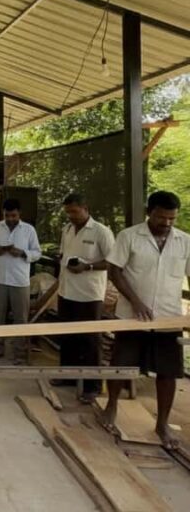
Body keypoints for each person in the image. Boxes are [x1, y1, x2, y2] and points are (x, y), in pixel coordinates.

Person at [101, 191, 190, 450]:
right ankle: (111, 406)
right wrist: (135, 301)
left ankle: (162, 423)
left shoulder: (184, 241)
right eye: (161, 217)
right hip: (132, 316)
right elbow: (114, 270)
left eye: (172, 218)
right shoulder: (129, 236)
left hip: (167, 317)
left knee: (168, 371)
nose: (167, 223)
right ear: (149, 212)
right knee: (121, 364)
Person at [52, 193, 115, 402]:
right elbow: (64, 254)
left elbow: (113, 262)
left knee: (89, 340)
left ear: (85, 208)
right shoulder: (67, 229)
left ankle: (92, 385)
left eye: (75, 212)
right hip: (66, 290)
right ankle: (68, 376)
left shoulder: (101, 231)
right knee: (67, 336)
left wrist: (87, 266)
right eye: (68, 212)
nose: (71, 216)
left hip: (89, 295)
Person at [0, 198, 41, 364]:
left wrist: (22, 253)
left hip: (20, 280)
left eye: (13, 216)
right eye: (7, 215)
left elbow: (37, 252)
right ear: (3, 213)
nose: (10, 219)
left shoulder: (28, 230)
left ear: (19, 213)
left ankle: (19, 352)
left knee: (20, 318)